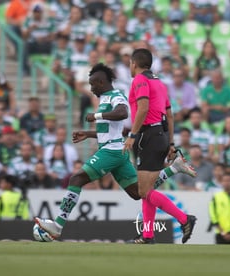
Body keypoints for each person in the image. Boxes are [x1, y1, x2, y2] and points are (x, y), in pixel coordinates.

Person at [35, 63, 196, 243]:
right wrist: (88, 134)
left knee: (76, 179)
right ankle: (173, 169)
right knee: (139, 193)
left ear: (102, 82)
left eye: (93, 84)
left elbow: (122, 113)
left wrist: (96, 117)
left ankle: (57, 225)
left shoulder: (115, 96)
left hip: (111, 151)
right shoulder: (104, 99)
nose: (91, 87)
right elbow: (112, 130)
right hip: (116, 149)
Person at [123, 48, 197, 244]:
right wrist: (170, 142)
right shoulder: (160, 83)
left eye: (130, 64)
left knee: (144, 191)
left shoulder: (140, 80)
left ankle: (184, 219)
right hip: (161, 135)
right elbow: (170, 115)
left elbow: (143, 107)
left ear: (134, 63)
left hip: (147, 136)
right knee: (147, 189)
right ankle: (147, 234)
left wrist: (132, 135)